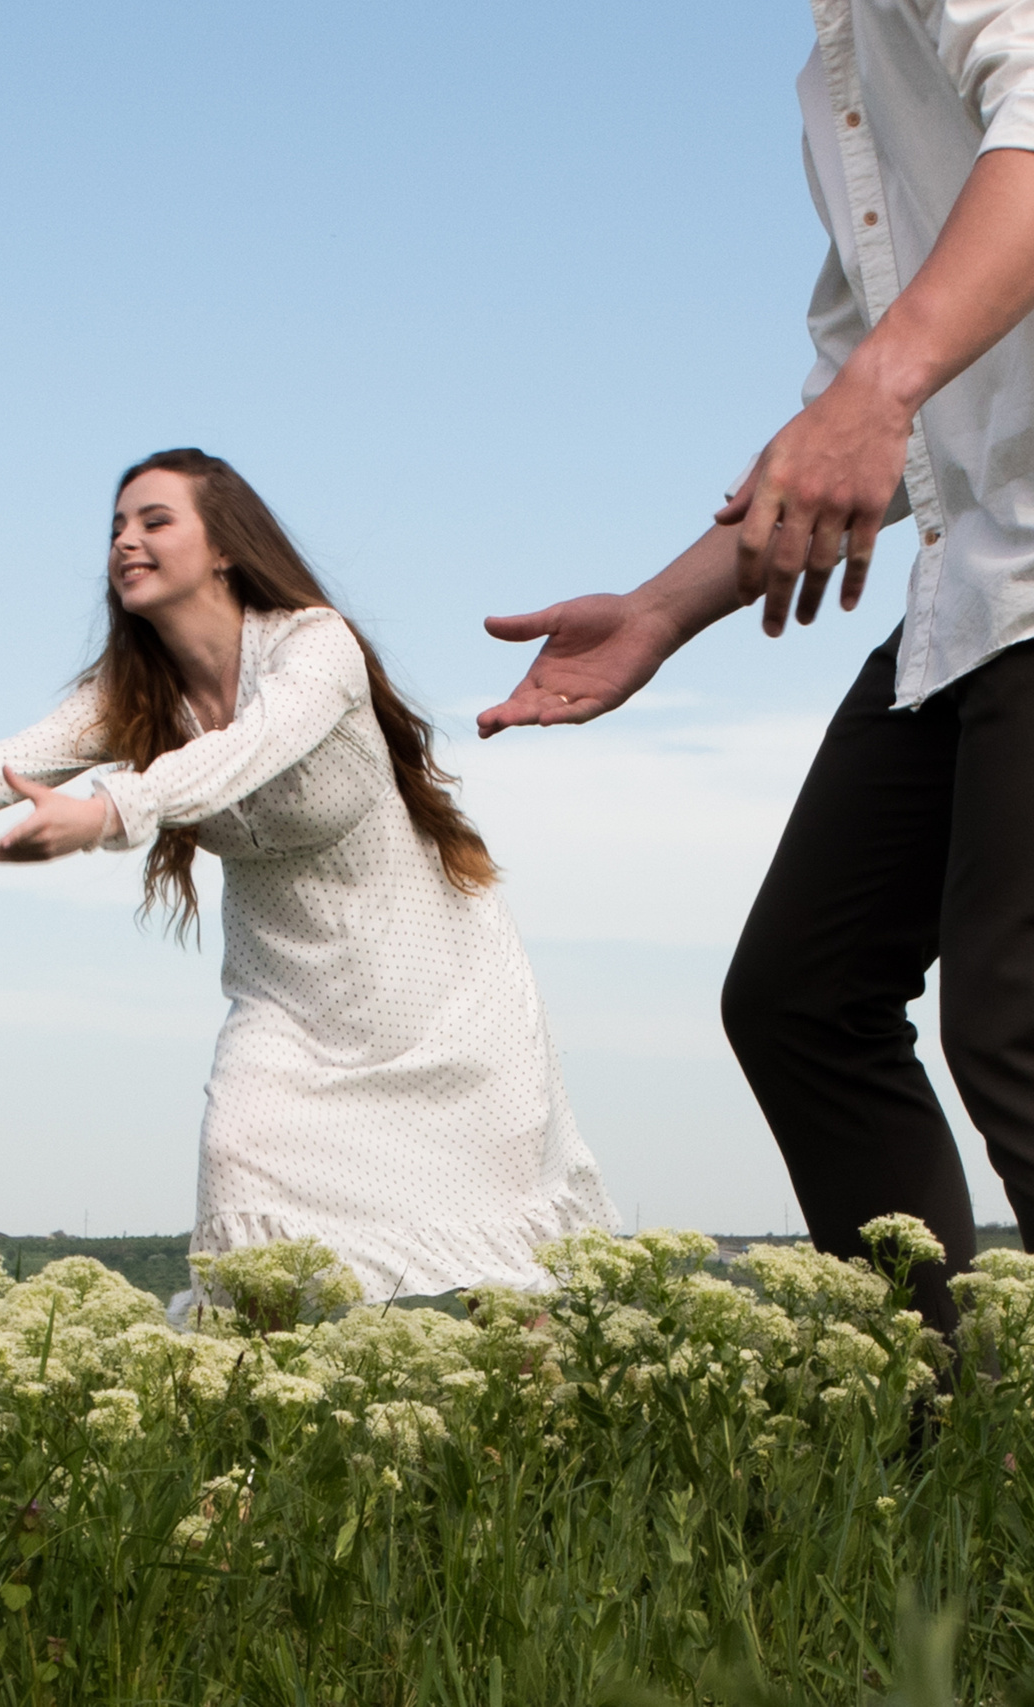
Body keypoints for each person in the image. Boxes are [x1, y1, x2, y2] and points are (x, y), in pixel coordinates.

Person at [0, 450, 617, 1307]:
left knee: (511, 1263)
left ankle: (537, 1450)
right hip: (287, 1007)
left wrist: (107, 813)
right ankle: (241, 1452)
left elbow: (248, 750)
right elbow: (6, 762)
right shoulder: (132, 696)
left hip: (445, 993)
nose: (125, 541)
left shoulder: (313, 645)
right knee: (240, 1183)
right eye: (115, 527)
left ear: (224, 549)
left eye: (154, 521)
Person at [477, 4, 1034, 1339]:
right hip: (975, 583)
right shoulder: (832, 83)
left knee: (1014, 1020)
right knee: (803, 993)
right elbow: (855, 406)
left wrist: (880, 389)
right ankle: (918, 1437)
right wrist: (662, 612)